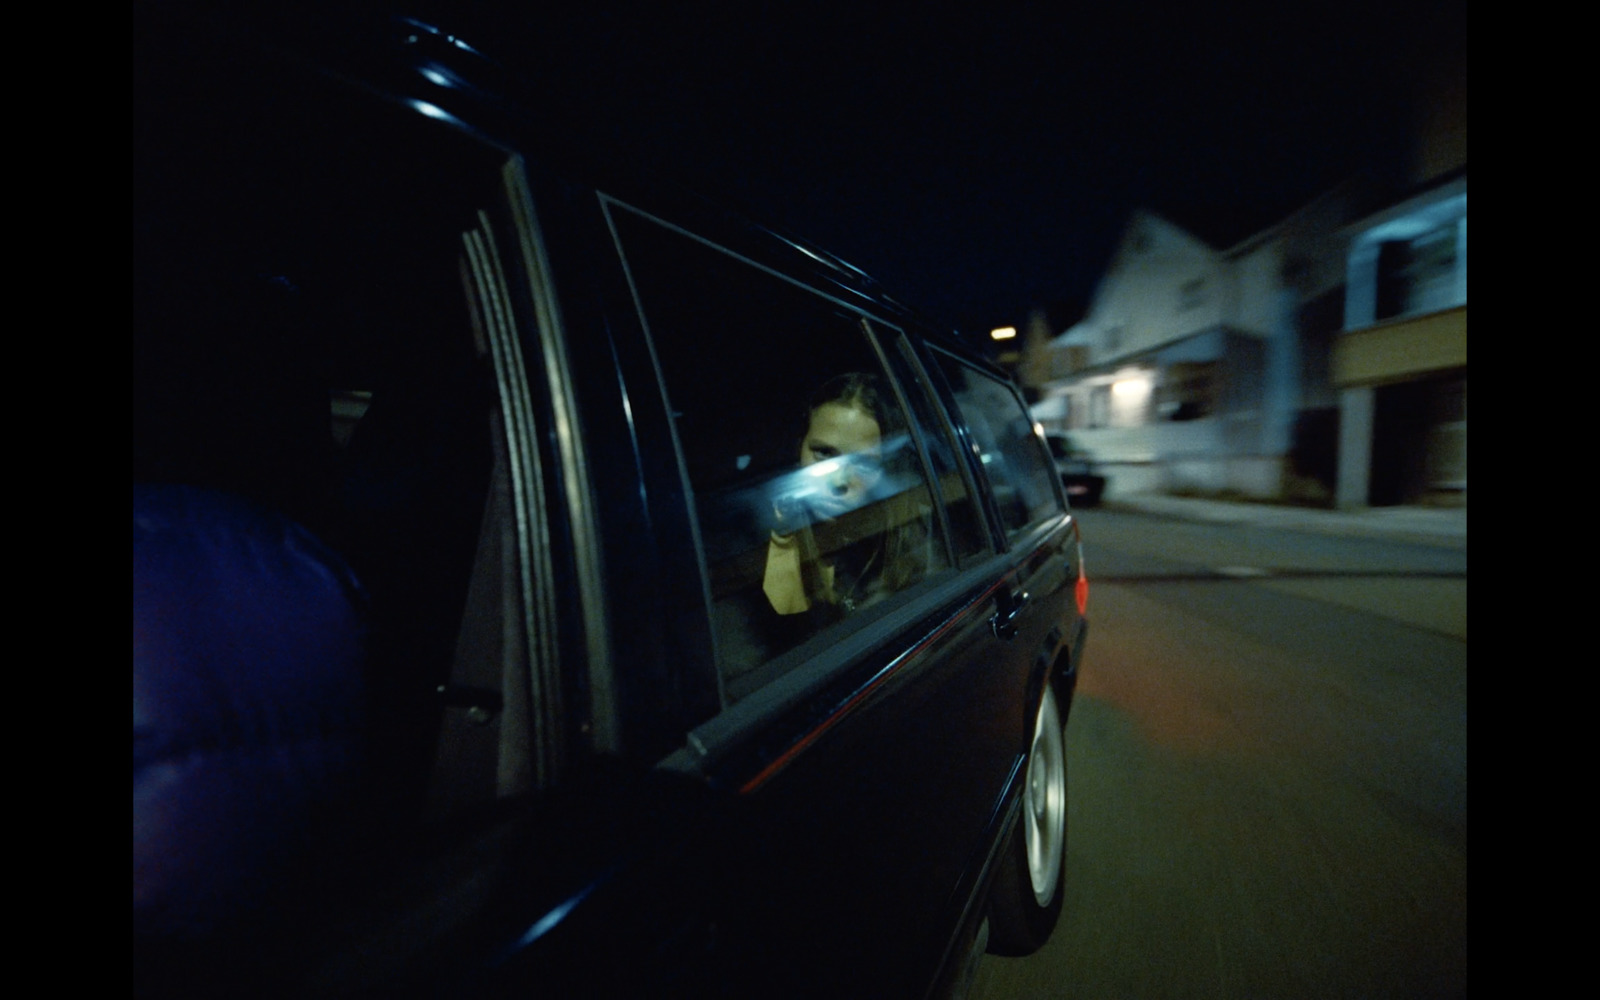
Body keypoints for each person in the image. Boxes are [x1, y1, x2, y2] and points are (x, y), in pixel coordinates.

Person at [717, 373, 933, 683]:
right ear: (798, 447)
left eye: (864, 463)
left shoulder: (902, 535)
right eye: (824, 453)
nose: (839, 481)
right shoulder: (749, 544)